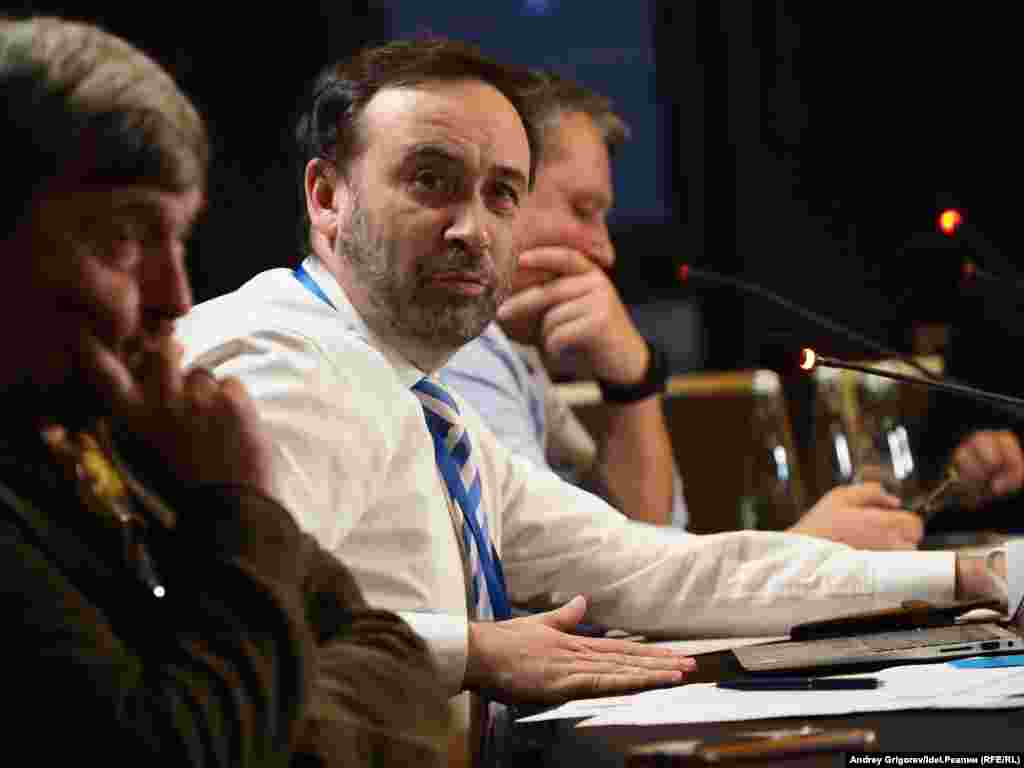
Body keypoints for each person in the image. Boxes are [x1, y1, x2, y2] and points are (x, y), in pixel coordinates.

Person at [175, 36, 1010, 740]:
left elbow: (653, 569)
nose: (473, 229)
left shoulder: (418, 397)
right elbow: (230, 627)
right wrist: (476, 651)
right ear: (327, 197)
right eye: (430, 181)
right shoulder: (284, 362)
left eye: (502, 194)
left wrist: (970, 579)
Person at [0, 17, 446, 766]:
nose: (175, 296)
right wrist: (236, 504)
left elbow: (393, 656)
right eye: (124, 239)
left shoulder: (117, 434)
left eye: (177, 240)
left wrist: (269, 729)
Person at [439, 70, 934, 549]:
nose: (605, 251)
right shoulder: (459, 352)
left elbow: (647, 542)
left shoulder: (513, 357)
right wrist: (804, 552)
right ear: (502, 195)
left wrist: (633, 383)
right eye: (583, 211)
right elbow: (571, 578)